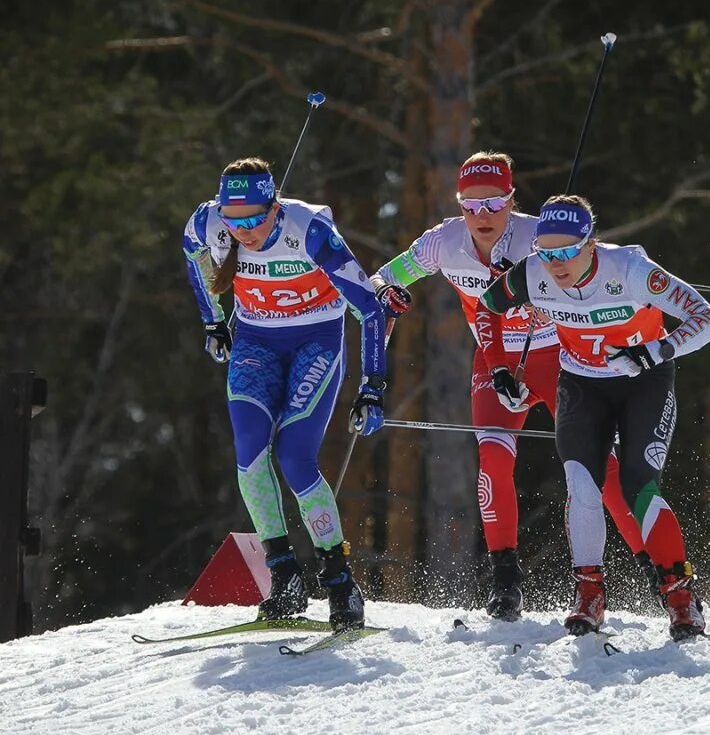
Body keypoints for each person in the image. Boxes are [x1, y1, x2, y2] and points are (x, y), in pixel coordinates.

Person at [370, 152, 652, 621]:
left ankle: (657, 572)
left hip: (557, 356)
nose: (483, 216)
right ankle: (506, 582)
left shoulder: (541, 236)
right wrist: (386, 292)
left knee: (598, 469)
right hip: (494, 361)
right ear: (459, 204)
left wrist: (564, 297)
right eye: (472, 204)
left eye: (495, 203)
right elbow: (386, 275)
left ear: (512, 200)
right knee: (494, 462)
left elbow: (596, 269)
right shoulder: (445, 241)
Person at [476, 195, 710, 640]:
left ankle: (681, 599)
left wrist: (652, 351)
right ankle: (589, 594)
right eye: (547, 253)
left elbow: (708, 318)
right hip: (580, 383)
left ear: (591, 242)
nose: (556, 264)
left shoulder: (630, 270)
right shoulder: (533, 274)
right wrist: (498, 368)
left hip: (643, 382)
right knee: (581, 482)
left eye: (567, 251)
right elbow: (486, 307)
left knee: (638, 485)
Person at [182, 157, 390, 631]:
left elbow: (370, 311)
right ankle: (284, 576)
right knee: (249, 452)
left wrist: (372, 387)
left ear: (274, 207)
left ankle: (339, 581)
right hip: (256, 341)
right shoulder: (207, 222)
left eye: (256, 219)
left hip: (315, 339)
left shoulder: (310, 230)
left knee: (296, 457)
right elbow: (192, 255)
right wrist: (213, 320)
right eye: (235, 223)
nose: (245, 232)